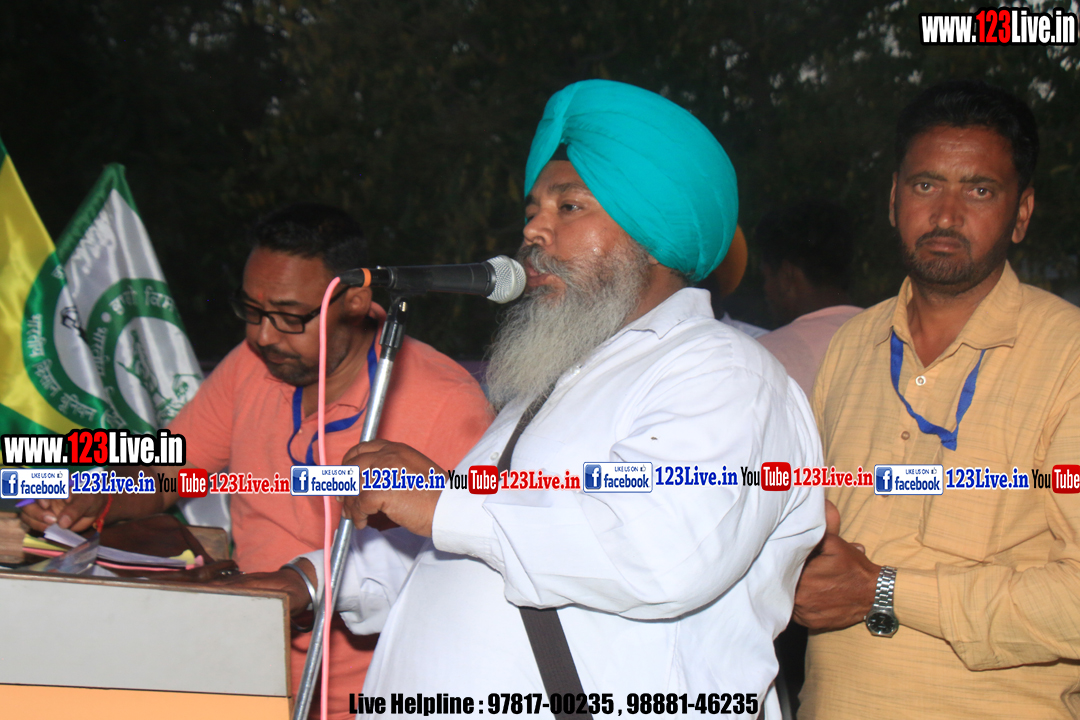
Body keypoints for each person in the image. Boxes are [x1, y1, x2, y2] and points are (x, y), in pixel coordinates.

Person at [255, 79, 825, 716]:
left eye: (568, 206)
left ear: (654, 232)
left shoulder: (725, 373)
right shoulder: (557, 382)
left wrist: (440, 502)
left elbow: (659, 550)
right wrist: (309, 581)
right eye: (532, 210)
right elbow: (472, 549)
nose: (532, 230)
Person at [21, 203, 492, 720]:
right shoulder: (254, 365)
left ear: (355, 301)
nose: (263, 336)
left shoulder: (446, 401)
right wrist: (98, 495)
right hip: (238, 673)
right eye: (252, 310)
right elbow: (169, 468)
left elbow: (468, 567)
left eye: (290, 316)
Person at [794, 80, 1080, 719]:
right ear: (894, 198)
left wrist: (885, 591)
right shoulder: (852, 346)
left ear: (1022, 213)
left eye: (980, 191)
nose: (946, 215)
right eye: (926, 185)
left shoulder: (1068, 356)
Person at [755, 201, 863, 398]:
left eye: (766, 277)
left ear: (787, 276)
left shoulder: (764, 358)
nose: (765, 289)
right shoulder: (894, 336)